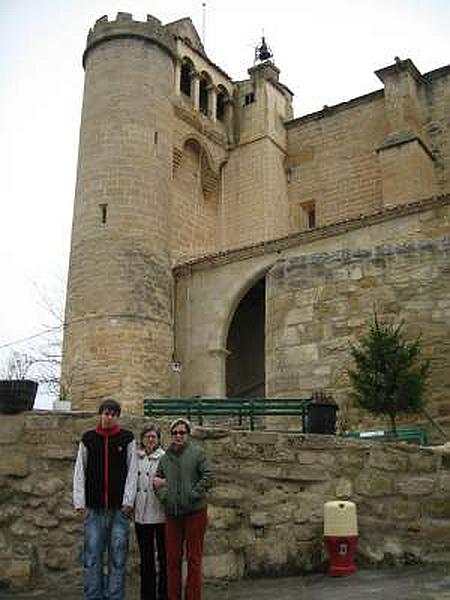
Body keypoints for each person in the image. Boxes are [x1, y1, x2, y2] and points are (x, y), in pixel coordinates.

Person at [73, 399, 138, 600]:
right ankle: (93, 596)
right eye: (105, 413)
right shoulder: (88, 438)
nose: (108, 417)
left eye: (112, 414)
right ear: (100, 414)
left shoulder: (127, 439)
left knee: (117, 558)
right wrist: (80, 502)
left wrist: (128, 501)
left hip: (120, 510)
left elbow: (132, 471)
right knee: (92, 557)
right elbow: (79, 471)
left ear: (117, 416)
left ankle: (115, 596)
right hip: (94, 509)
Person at [153, 418, 213, 600]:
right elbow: (157, 482)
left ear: (187, 434)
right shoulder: (165, 459)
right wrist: (165, 496)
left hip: (195, 512)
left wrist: (193, 494)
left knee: (194, 559)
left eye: (182, 432)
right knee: (172, 560)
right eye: (175, 432)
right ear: (171, 435)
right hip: (173, 514)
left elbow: (208, 476)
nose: (178, 435)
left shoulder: (198, 454)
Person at [134, 423, 167, 600]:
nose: (151, 439)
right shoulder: (136, 458)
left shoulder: (165, 458)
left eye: (154, 436)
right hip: (141, 515)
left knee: (163, 558)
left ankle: (164, 594)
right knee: (146, 559)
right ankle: (147, 595)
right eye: (147, 436)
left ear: (158, 439)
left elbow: (173, 479)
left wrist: (165, 483)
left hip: (160, 514)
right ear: (142, 438)